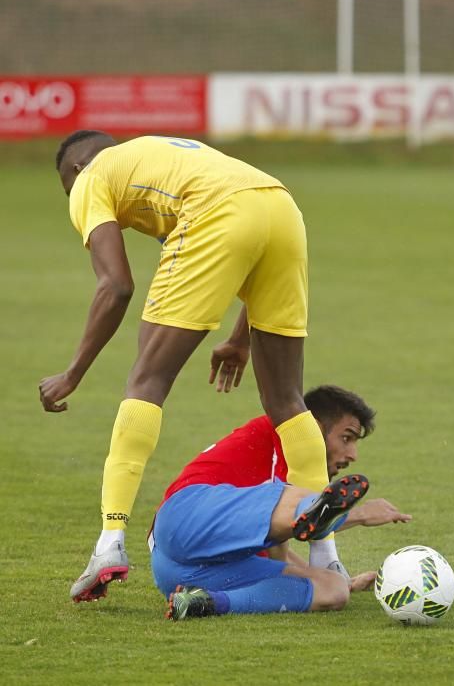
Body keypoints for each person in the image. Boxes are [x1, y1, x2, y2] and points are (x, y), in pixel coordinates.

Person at [39, 132, 345, 602]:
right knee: (286, 399)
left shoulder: (90, 177)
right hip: (281, 205)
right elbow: (242, 243)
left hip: (218, 210)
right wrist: (240, 339)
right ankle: (327, 556)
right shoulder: (155, 158)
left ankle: (110, 542)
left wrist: (72, 373)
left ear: (75, 173)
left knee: (146, 381)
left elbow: (116, 285)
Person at [149, 385, 412, 620]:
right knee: (298, 496)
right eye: (346, 438)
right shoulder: (286, 436)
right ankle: (325, 510)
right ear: (314, 429)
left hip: (181, 574)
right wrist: (361, 515)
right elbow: (295, 518)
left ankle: (207, 603)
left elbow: (278, 550)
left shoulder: (273, 503)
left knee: (333, 591)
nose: (353, 454)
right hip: (181, 519)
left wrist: (340, 580)